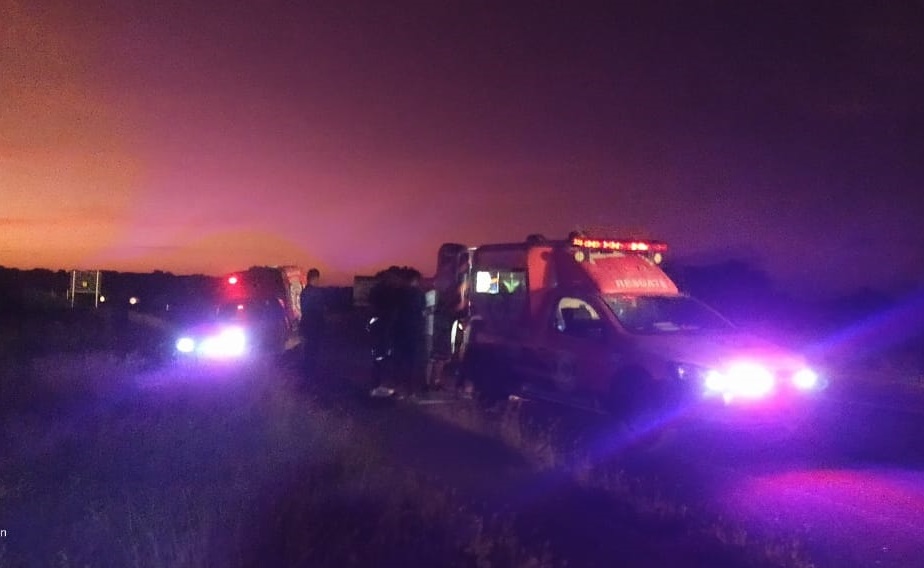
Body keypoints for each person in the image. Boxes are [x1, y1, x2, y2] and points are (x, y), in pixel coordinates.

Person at [392, 268, 427, 397]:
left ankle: (398, 389)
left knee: (400, 360)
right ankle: (411, 390)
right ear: (415, 280)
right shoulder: (420, 294)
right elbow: (423, 312)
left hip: (400, 330)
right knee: (413, 361)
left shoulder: (398, 293)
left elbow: (395, 311)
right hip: (415, 330)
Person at [298, 268, 325, 375]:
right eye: (318, 279)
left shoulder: (304, 292)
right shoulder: (316, 293)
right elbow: (319, 311)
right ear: (315, 278)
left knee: (308, 350)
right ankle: (312, 373)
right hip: (314, 326)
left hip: (306, 325)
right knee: (314, 350)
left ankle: (308, 372)